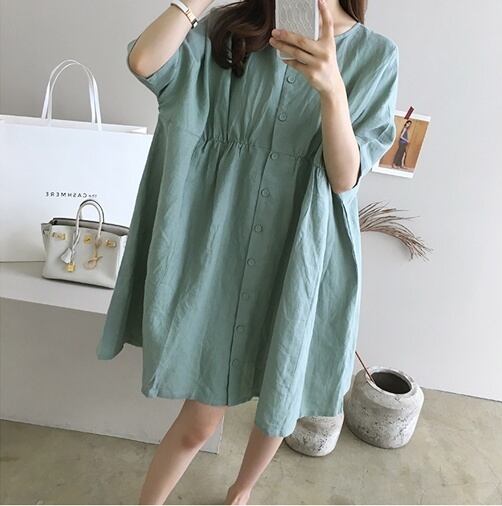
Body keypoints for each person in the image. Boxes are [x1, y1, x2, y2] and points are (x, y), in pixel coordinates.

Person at [96, 0, 399, 503]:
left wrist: (332, 89)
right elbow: (144, 62)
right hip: (220, 248)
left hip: (299, 250)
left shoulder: (375, 56)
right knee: (200, 419)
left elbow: (345, 177)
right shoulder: (231, 27)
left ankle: (241, 491)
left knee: (280, 392)